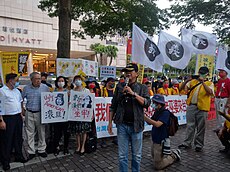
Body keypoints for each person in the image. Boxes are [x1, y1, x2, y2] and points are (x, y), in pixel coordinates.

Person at [108, 63, 151, 172]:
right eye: (126, 71)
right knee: (122, 155)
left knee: (136, 155)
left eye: (130, 71)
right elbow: (113, 106)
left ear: (136, 74)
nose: (128, 74)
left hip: (136, 126)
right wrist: (109, 123)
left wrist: (133, 94)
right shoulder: (119, 87)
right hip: (122, 125)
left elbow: (146, 103)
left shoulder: (142, 88)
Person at [178, 66, 214, 152]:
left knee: (201, 127)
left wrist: (203, 83)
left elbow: (210, 92)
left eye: (203, 73)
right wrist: (187, 80)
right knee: (190, 125)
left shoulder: (210, 83)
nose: (201, 75)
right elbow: (181, 88)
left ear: (207, 74)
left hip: (203, 107)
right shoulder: (193, 82)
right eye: (200, 73)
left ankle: (199, 144)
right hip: (192, 106)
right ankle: (187, 143)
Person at [144, 94, 181, 170]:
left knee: (158, 166)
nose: (153, 105)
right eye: (153, 102)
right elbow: (150, 121)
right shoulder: (157, 111)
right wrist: (145, 117)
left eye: (155, 103)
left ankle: (173, 156)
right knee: (154, 156)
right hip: (155, 139)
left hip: (161, 140)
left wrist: (145, 118)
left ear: (160, 104)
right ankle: (167, 155)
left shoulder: (165, 113)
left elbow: (157, 124)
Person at [0, 73, 27, 171]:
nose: (17, 82)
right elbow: (0, 107)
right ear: (10, 80)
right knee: (7, 141)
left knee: (18, 138)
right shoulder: (2, 91)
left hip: (17, 117)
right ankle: (5, 161)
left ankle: (18, 155)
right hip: (7, 118)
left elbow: (20, 103)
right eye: (16, 80)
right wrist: (1, 120)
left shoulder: (17, 91)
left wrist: (21, 115)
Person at [22, 72, 50, 160]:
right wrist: (22, 109)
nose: (38, 80)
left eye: (39, 78)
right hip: (29, 112)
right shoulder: (26, 88)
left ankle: (41, 150)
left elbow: (49, 98)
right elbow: (21, 99)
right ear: (31, 80)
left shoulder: (45, 88)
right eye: (36, 79)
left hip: (40, 112)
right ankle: (31, 151)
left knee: (41, 132)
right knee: (29, 133)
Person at [71, 75, 92, 156]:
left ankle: (83, 146)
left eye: (79, 79)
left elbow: (91, 102)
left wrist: (91, 113)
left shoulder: (86, 90)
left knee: (84, 131)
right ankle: (78, 146)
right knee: (77, 132)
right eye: (76, 80)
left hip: (84, 115)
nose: (78, 81)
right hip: (75, 115)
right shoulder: (72, 91)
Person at [53, 76, 70, 155]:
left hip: (66, 116)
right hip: (56, 116)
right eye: (59, 81)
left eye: (62, 81)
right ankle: (56, 147)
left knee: (66, 133)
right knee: (57, 133)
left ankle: (66, 147)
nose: (61, 82)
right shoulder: (53, 92)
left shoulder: (68, 92)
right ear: (56, 82)